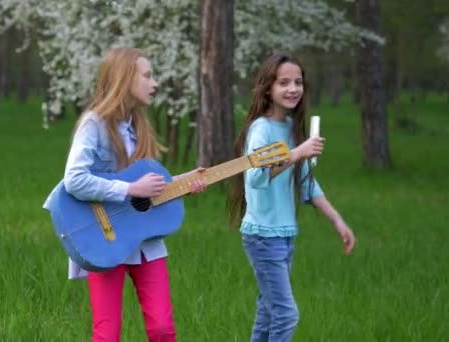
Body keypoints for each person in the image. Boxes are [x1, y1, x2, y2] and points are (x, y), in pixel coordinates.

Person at [43, 47, 206, 342]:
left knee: (162, 328)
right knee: (107, 334)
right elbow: (74, 179)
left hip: (145, 240)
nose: (154, 83)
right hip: (103, 238)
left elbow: (147, 189)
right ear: (124, 78)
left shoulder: (140, 127)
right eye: (147, 75)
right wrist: (130, 189)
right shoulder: (94, 124)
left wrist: (184, 183)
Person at [227, 52, 357, 342]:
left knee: (268, 312)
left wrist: (337, 221)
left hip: (284, 235)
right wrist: (297, 153)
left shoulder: (289, 128)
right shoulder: (261, 129)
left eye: (298, 82)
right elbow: (257, 177)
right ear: (268, 89)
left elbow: (306, 183)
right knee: (286, 314)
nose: (293, 88)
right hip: (263, 235)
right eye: (283, 82)